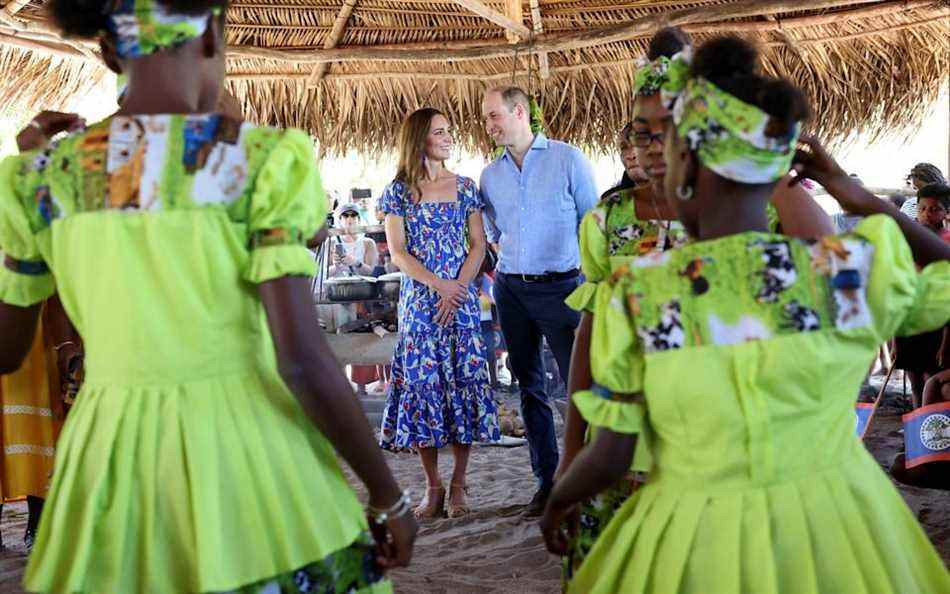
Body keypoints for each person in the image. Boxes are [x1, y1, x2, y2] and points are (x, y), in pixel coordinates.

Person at [0, 2, 416, 592]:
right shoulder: (259, 163)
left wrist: (35, 184)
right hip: (246, 449)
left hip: (110, 461)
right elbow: (301, 359)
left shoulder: (45, 176)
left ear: (110, 50)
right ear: (212, 36)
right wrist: (388, 495)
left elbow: (6, 352)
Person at [542, 35, 950, 593]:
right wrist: (862, 200)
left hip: (691, 531)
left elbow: (612, 451)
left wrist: (561, 496)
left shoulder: (642, 295)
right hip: (836, 527)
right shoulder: (845, 272)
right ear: (775, 172)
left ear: (685, 170)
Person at [555, 27, 836, 585]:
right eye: (643, 133)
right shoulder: (606, 222)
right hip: (621, 450)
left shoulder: (769, 208)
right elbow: (591, 334)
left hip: (727, 453)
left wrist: (771, 177)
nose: (657, 146)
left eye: (673, 131)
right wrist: (571, 448)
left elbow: (829, 266)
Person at [480, 85, 599, 515]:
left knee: (577, 385)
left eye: (494, 116)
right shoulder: (490, 176)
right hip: (511, 289)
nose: (489, 124)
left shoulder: (568, 158)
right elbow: (493, 232)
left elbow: (593, 222)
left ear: (518, 112)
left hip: (563, 287)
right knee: (527, 387)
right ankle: (546, 483)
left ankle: (584, 479)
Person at [379, 108, 499, 519]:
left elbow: (478, 246)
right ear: (419, 140)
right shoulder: (398, 191)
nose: (449, 137)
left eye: (450, 131)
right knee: (423, 387)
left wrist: (458, 288)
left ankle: (460, 484)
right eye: (439, 132)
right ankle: (433, 485)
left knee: (464, 383)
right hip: (421, 304)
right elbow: (398, 252)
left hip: (461, 301)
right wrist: (439, 286)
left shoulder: (465, 187)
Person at [893, 183, 950, 406]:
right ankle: (917, 434)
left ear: (946, 212)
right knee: (915, 381)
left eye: (934, 209)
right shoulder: (906, 241)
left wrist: (946, 342)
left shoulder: (947, 242)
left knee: (933, 380)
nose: (926, 214)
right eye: (922, 208)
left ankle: (935, 433)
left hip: (939, 324)